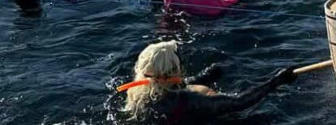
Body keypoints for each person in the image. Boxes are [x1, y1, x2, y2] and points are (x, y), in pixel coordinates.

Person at [122, 41, 297, 124]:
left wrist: (209, 74)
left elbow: (178, 84)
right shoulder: (189, 101)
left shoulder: (137, 97)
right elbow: (239, 102)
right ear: (170, 72)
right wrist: (277, 81)